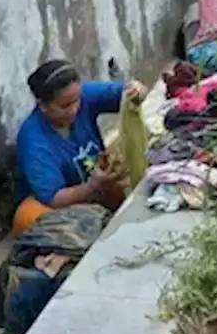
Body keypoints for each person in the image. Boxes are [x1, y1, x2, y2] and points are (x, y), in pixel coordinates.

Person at [12, 60, 147, 235]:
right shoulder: (33, 140)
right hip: (63, 204)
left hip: (96, 184)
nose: (74, 109)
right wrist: (91, 188)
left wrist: (137, 90)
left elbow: (125, 93)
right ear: (43, 105)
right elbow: (54, 199)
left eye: (77, 101)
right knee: (27, 217)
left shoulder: (81, 96)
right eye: (64, 106)